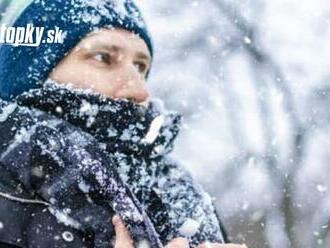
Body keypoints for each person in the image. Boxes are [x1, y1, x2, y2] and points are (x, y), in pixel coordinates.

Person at [0, 0, 247, 247]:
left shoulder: (180, 197)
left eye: (140, 66)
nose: (140, 90)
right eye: (103, 57)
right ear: (29, 72)